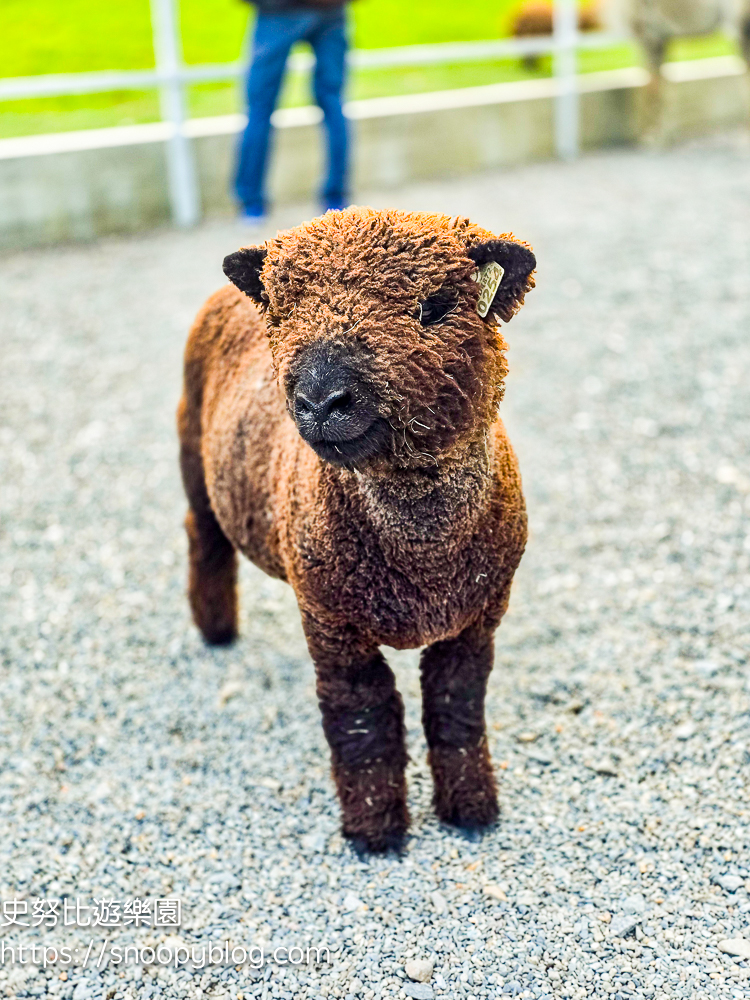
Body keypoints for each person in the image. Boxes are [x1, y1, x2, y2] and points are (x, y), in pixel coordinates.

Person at [235, 0, 350, 225]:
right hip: (330, 10)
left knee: (259, 107)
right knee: (333, 102)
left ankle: (251, 205)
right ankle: (337, 198)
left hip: (278, 11)